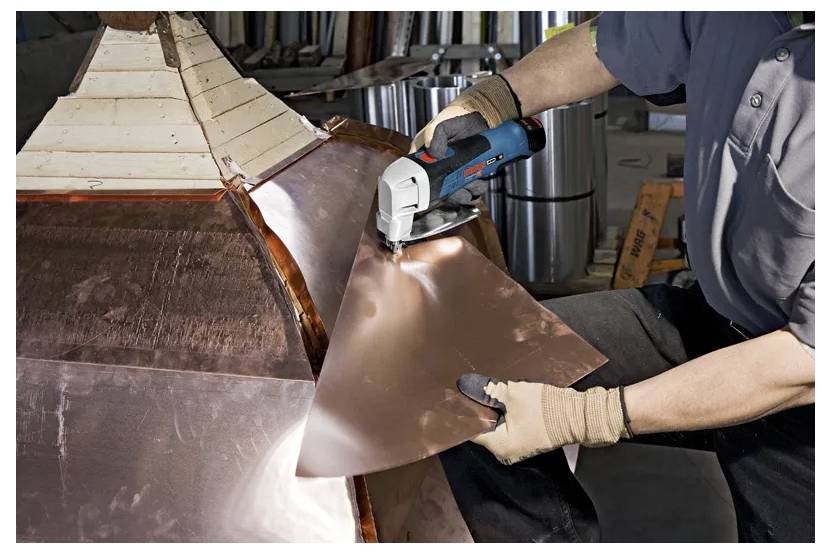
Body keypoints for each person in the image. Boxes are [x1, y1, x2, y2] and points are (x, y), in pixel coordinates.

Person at [415, 12, 815, 542]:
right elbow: (613, 42)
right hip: (719, 313)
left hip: (800, 382)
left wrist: (587, 415)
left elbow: (807, 360)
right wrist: (494, 100)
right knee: (472, 376)